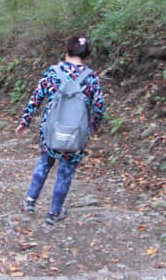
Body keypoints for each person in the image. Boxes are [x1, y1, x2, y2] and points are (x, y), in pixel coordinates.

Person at [15, 36, 105, 224]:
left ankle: (30, 201)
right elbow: (99, 107)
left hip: (51, 129)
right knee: (65, 171)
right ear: (86, 54)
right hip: (76, 134)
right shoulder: (91, 77)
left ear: (67, 52)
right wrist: (93, 127)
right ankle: (54, 213)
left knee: (45, 162)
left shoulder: (53, 72)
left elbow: (36, 96)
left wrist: (26, 121)